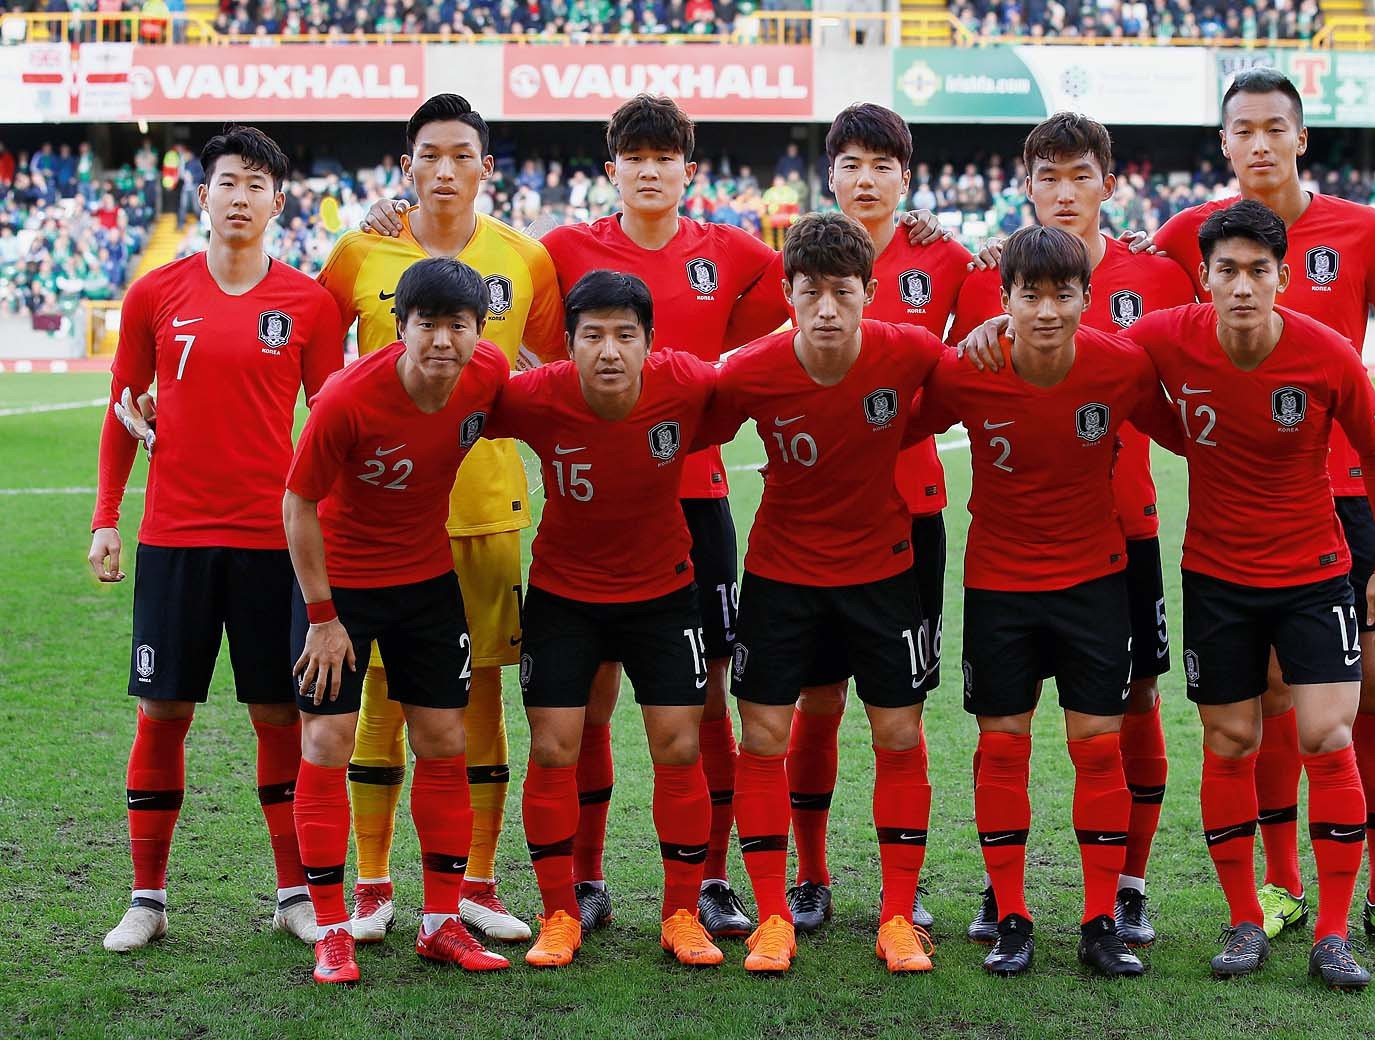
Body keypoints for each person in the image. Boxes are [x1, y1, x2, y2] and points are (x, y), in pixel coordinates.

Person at [360, 93, 948, 940]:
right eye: (633, 157)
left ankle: (708, 884)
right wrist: (397, 214)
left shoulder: (734, 248)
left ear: (688, 170)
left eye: (664, 157)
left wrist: (911, 221)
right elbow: (507, 310)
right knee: (584, 705)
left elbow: (821, 274)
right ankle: (585, 880)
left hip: (695, 506)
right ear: (612, 169)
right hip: (593, 509)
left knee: (703, 707)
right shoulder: (558, 249)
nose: (648, 170)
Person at [1153, 68, 1375, 953]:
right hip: (1248, 508)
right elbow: (1111, 288)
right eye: (1244, 129)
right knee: (1266, 695)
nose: (1260, 143)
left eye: (1276, 127)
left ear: (1301, 138)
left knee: (1372, 687)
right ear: (1224, 142)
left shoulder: (1363, 229)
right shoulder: (1189, 235)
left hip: (1349, 499)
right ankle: (1279, 885)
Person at [1130, 200, 1375, 989]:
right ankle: (1245, 919)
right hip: (1216, 577)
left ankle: (1333, 934)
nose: (1243, 286)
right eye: (1227, 271)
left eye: (1258, 270)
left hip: (1314, 575)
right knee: (1229, 742)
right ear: (1205, 278)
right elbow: (1099, 360)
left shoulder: (1326, 353)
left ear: (1283, 277)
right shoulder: (1165, 336)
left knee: (1326, 735)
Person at [317, 93, 565, 946]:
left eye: (463, 154)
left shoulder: (524, 257)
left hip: (485, 512)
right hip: (377, 525)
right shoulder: (360, 249)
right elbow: (317, 360)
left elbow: (548, 370)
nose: (446, 170)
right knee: (378, 702)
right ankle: (372, 885)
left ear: (486, 167)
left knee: (478, 702)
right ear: (407, 165)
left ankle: (476, 886)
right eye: (431, 154)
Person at [90, 127, 343, 955]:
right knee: (163, 711)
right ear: (203, 196)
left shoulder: (308, 303)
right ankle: (147, 899)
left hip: (273, 544)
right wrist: (106, 519)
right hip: (174, 538)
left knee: (279, 713)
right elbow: (122, 411)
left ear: (279, 202)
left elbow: (331, 425)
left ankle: (294, 896)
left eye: (257, 184)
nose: (241, 196)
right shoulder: (154, 294)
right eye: (228, 181)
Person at [752, 103, 1002, 935]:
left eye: (882, 165)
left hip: (908, 515)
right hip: (810, 522)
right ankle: (812, 876)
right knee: (816, 703)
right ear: (830, 174)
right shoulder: (798, 257)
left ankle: (906, 888)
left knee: (901, 713)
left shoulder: (948, 258)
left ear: (907, 176)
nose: (866, 180)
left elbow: (984, 350)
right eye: (851, 164)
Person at [956, 112, 1198, 947]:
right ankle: (1003, 891)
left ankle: (1127, 887)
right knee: (1006, 722)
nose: (1064, 192)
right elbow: (951, 373)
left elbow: (1190, 377)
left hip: (1123, 530)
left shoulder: (1158, 272)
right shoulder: (988, 274)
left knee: (1136, 703)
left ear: (1108, 183)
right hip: (1014, 540)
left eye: (1080, 175)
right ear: (1026, 185)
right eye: (1048, 177)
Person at [913, 224, 1180, 977]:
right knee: (1003, 748)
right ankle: (1012, 917)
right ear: (1005, 299)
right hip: (999, 587)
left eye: (1063, 294)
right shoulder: (968, 368)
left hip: (1095, 583)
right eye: (1030, 294)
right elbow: (895, 422)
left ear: (1087, 298)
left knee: (1097, 748)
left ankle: (1100, 922)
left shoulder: (1120, 367)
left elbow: (1190, 430)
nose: (1047, 310)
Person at [698, 212, 945, 975]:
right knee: (765, 737)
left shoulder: (911, 352)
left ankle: (897, 918)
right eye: (812, 292)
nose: (828, 309)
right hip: (782, 579)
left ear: (871, 290)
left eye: (843, 291)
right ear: (789, 294)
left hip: (884, 574)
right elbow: (689, 419)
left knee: (898, 733)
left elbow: (972, 385)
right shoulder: (751, 370)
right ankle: (774, 917)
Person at [285, 257, 514, 985]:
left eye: (459, 325)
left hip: (426, 583)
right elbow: (298, 505)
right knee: (328, 740)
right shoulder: (347, 398)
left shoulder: (488, 375)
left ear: (479, 330)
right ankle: (331, 932)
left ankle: (442, 924)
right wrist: (322, 617)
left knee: (445, 740)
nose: (443, 340)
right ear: (400, 327)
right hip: (341, 592)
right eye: (428, 324)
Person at [491, 271, 724, 970]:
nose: (610, 350)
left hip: (663, 593)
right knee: (554, 747)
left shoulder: (686, 383)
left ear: (650, 342)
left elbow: (757, 384)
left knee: (679, 746)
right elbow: (458, 404)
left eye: (626, 334)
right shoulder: (536, 394)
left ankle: (682, 913)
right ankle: (559, 912)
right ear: (568, 345)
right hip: (565, 598)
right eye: (592, 335)